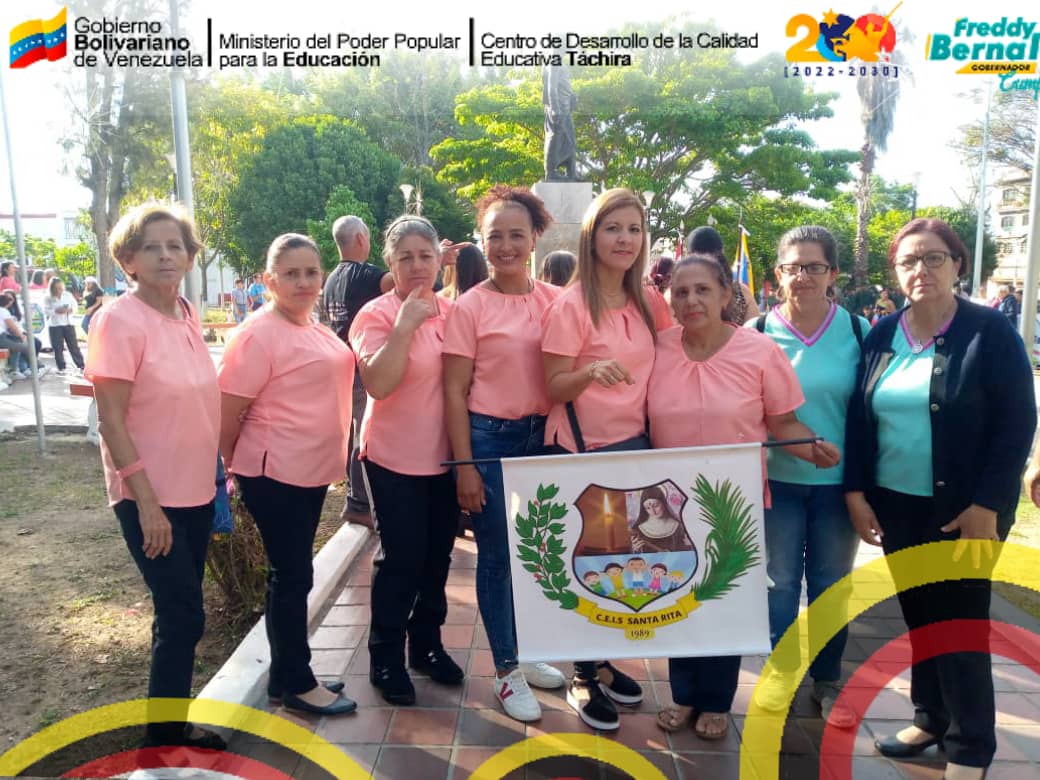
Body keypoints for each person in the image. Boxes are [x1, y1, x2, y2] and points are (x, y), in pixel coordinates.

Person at [844, 218, 1036, 780]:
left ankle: (971, 747)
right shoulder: (882, 334)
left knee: (961, 624)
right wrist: (856, 492)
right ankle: (930, 718)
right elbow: (860, 419)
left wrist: (987, 503)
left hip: (966, 510)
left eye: (933, 258)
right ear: (896, 273)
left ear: (958, 264)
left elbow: (1016, 424)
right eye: (909, 261)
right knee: (921, 618)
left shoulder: (988, 333)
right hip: (898, 505)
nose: (921, 270)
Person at [650, 253, 840, 742]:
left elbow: (783, 424)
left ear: (724, 295)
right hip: (667, 504)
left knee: (723, 601)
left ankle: (715, 700)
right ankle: (684, 694)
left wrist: (811, 447)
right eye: (681, 292)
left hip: (733, 504)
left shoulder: (758, 351)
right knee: (676, 597)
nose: (691, 300)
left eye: (702, 290)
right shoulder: (657, 348)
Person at [84, 203, 224, 749]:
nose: (166, 255)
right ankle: (164, 739)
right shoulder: (118, 320)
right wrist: (146, 503)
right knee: (184, 614)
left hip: (193, 491)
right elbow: (111, 420)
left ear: (190, 256)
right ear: (128, 261)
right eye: (151, 247)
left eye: (176, 246)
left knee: (178, 615)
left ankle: (167, 729)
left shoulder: (186, 312)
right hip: (149, 498)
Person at [541, 188, 673, 730]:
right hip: (582, 453)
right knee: (591, 565)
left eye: (634, 229)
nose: (624, 238)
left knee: (621, 569)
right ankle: (582, 673)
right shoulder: (570, 305)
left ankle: (601, 659)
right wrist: (590, 373)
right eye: (613, 228)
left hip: (636, 450)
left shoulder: (650, 300)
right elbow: (550, 386)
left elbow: (675, 362)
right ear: (592, 236)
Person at [218, 233, 357, 717]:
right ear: (268, 280)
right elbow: (227, 411)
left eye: (311, 272)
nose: (303, 282)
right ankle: (297, 682)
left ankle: (285, 676)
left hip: (309, 470)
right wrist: (239, 468)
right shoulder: (258, 333)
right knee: (293, 575)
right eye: (291, 274)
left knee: (294, 574)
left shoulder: (310, 324)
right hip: (275, 471)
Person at [443, 185, 567, 723]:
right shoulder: (468, 308)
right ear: (482, 241)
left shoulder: (557, 302)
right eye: (495, 236)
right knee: (496, 558)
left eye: (517, 234)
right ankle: (507, 670)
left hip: (546, 441)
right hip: (490, 441)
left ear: (535, 237)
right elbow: (453, 391)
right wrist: (465, 464)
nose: (506, 245)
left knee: (537, 556)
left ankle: (531, 652)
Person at [747, 226, 870, 728]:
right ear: (777, 275)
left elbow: (868, 415)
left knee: (830, 584)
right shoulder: (755, 334)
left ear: (833, 274)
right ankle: (779, 675)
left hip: (838, 488)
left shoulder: (860, 332)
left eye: (814, 267)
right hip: (776, 483)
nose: (803, 277)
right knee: (777, 585)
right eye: (793, 267)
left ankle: (826, 678)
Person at [349, 216, 464, 705]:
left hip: (446, 458)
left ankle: (428, 647)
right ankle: (385, 657)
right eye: (405, 258)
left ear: (440, 260)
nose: (417, 267)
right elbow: (378, 383)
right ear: (390, 264)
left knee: (438, 556)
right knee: (401, 559)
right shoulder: (374, 315)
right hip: (393, 458)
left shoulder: (455, 313)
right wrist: (404, 326)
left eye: (425, 256)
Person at [323, 216, 393, 530]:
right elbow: (401, 282)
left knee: (354, 431)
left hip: (340, 366)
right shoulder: (367, 275)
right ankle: (358, 502)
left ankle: (356, 498)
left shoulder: (331, 280)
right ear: (362, 239)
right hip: (362, 364)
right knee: (365, 435)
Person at [685, 225, 761, 322]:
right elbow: (754, 332)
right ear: (722, 252)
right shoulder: (741, 292)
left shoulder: (678, 294)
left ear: (689, 255)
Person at [631, 486, 692, 553]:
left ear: (663, 503)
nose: (653, 511)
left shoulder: (678, 526)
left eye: (656, 505)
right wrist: (635, 550)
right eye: (648, 508)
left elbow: (685, 552)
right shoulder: (637, 529)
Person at [44, 277, 85, 374]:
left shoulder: (67, 295)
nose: (59, 290)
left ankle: (81, 365)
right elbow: (45, 310)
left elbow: (75, 306)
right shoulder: (48, 298)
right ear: (52, 289)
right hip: (55, 325)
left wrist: (71, 310)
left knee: (73, 346)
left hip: (68, 323)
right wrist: (55, 311)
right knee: (58, 347)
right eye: (57, 288)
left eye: (61, 288)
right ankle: (61, 367)